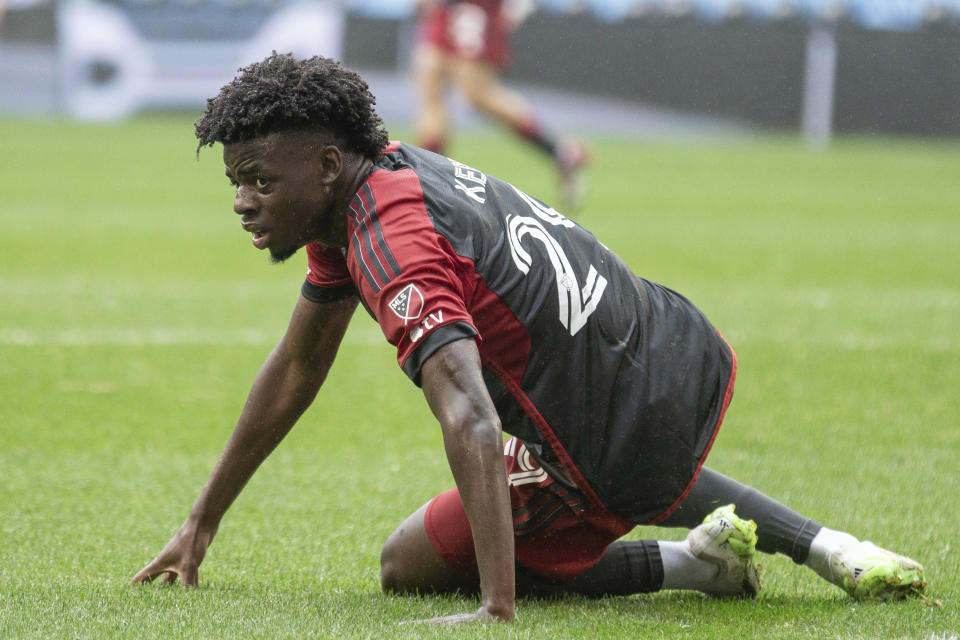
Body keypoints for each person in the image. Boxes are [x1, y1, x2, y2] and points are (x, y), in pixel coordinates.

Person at [130, 53, 926, 624]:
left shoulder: (390, 240)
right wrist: (203, 520)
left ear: (328, 165)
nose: (243, 200)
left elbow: (470, 416)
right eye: (237, 180)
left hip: (617, 425)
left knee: (406, 563)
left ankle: (690, 566)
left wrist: (495, 607)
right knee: (607, 449)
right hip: (673, 353)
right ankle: (827, 547)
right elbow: (300, 362)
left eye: (260, 179)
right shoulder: (393, 172)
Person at [412, 0, 588, 209]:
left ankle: (560, 151)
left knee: (479, 95)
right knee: (431, 85)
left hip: (476, 9)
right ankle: (428, 182)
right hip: (445, 10)